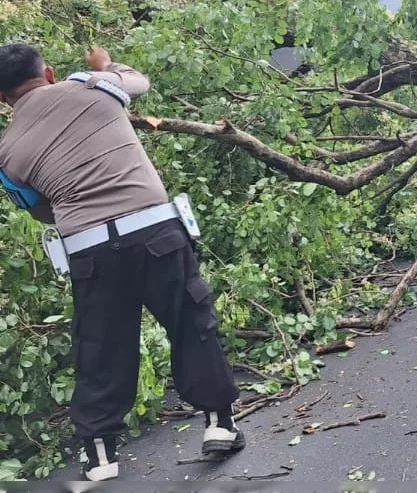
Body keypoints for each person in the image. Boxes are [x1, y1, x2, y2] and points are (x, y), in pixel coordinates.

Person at [0, 44, 244, 481]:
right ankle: (219, 425)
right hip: (155, 232)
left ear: (2, 99)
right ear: (49, 72)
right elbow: (138, 80)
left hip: (89, 250)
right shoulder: (95, 86)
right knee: (191, 322)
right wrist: (104, 63)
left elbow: (40, 209)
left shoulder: (6, 154)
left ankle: (100, 456)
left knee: (100, 347)